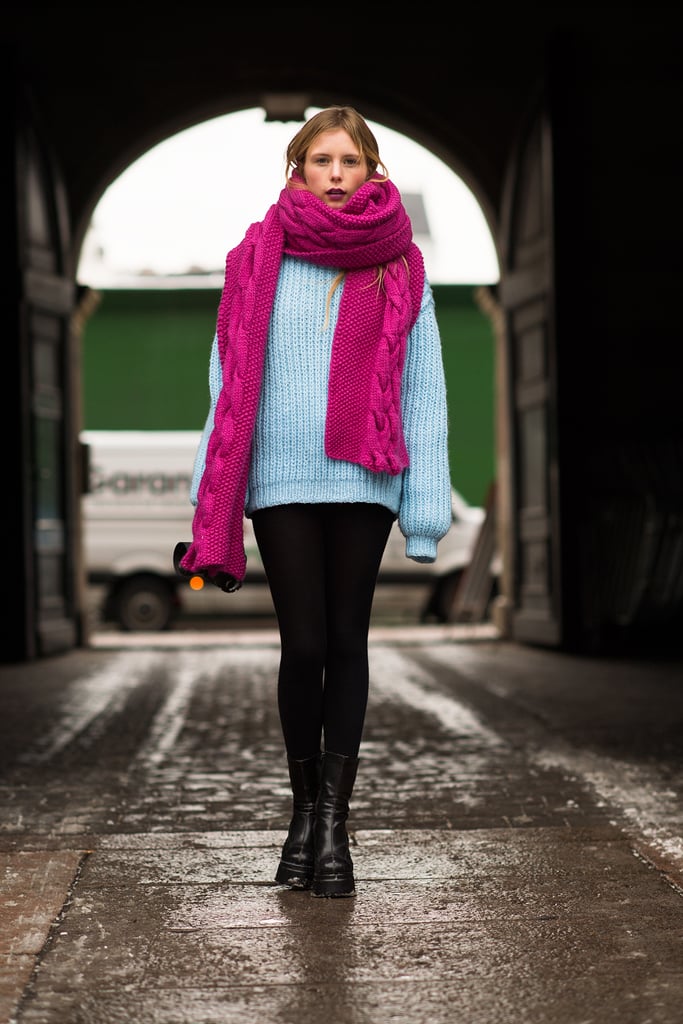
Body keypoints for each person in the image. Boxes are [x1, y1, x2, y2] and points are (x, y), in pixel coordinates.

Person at [179, 105, 452, 897]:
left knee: (346, 640)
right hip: (278, 479)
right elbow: (224, 388)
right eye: (321, 160)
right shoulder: (255, 260)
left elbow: (423, 390)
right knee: (302, 648)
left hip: (364, 478)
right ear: (295, 169)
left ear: (373, 172)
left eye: (350, 161)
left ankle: (332, 828)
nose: (335, 174)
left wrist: (424, 508)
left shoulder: (399, 265)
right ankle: (303, 813)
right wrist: (210, 503)